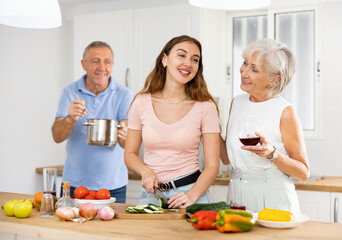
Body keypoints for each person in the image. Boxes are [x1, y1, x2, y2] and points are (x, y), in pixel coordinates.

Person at [124, 35, 220, 208]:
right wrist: (145, 171)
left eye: (195, 59)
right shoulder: (141, 102)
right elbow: (129, 154)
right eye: (181, 55)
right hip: (151, 195)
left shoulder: (206, 107)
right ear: (164, 59)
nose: (188, 63)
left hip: (191, 193)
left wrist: (191, 196)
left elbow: (212, 166)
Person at [220, 38, 310, 214]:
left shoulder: (285, 111)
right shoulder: (237, 103)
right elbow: (226, 159)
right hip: (237, 192)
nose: (243, 72)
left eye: (254, 69)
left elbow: (303, 173)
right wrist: (210, 125)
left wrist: (272, 153)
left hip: (273, 194)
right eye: (245, 63)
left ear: (273, 80)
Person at [52, 41, 133, 202]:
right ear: (84, 64)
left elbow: (128, 144)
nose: (102, 67)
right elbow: (57, 136)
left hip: (113, 186)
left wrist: (125, 136)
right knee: (70, 226)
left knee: (111, 228)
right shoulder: (70, 92)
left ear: (112, 65)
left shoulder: (124, 94)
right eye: (95, 61)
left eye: (107, 62)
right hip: (74, 184)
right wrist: (70, 118)